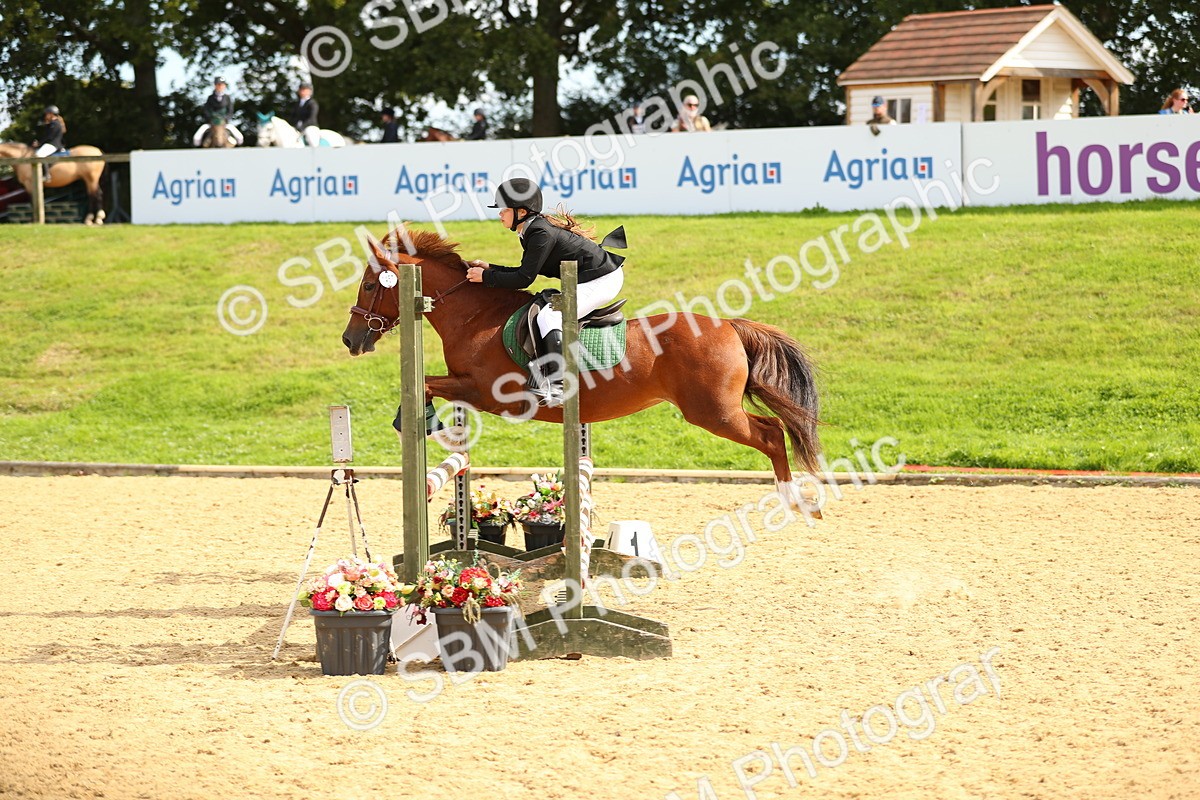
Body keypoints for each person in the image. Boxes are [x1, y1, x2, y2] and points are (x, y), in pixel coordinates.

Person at [465, 178, 626, 407]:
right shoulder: (532, 230)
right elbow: (524, 272)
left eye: (504, 209)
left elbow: (524, 279)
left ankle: (558, 385)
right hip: (589, 278)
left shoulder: (540, 233)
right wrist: (490, 269)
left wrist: (486, 278)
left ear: (521, 211)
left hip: (602, 280)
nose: (500, 213)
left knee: (550, 315)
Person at [192, 76, 244, 146]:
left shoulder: (227, 98)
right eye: (218, 85)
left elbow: (230, 111)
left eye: (222, 85)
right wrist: (211, 118)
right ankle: (198, 145)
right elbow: (206, 110)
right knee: (197, 136)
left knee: (239, 136)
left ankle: (239, 145)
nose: (220, 86)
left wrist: (225, 118)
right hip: (212, 122)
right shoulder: (210, 98)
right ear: (215, 85)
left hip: (224, 122)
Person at [32, 105, 66, 182]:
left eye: (47, 114)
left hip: (53, 144)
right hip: (51, 144)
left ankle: (47, 175)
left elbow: (49, 137)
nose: (45, 116)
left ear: (51, 114)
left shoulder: (55, 124)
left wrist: (39, 143)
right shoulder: (52, 124)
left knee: (38, 155)